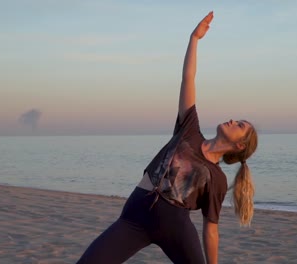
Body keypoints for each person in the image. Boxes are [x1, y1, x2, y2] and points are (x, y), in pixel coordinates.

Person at [76, 11, 258, 264]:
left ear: (239, 145)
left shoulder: (217, 178)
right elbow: (188, 78)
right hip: (134, 218)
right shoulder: (190, 129)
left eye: (239, 125)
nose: (232, 120)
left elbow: (211, 229)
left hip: (175, 227)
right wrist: (194, 38)